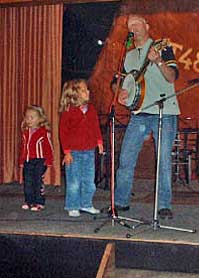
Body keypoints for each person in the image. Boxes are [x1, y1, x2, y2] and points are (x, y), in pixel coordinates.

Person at [113, 14, 180, 219]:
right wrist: (121, 92)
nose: (133, 27)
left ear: (147, 26)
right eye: (130, 25)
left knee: (163, 161)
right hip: (139, 113)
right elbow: (118, 82)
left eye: (137, 23)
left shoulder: (162, 47)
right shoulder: (129, 55)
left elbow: (172, 77)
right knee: (125, 158)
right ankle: (121, 203)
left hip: (164, 111)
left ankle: (164, 205)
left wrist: (158, 60)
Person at [59, 79, 104, 217]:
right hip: (74, 152)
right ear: (74, 94)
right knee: (74, 181)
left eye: (87, 90)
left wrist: (99, 142)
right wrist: (66, 152)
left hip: (89, 151)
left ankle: (86, 204)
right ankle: (72, 205)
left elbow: (95, 126)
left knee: (89, 181)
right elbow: (63, 133)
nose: (88, 92)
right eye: (84, 90)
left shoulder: (91, 109)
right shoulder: (69, 111)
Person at [18, 105, 54, 211]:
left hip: (39, 161)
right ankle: (29, 201)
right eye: (27, 117)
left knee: (37, 181)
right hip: (28, 161)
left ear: (40, 119)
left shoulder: (43, 133)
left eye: (32, 117)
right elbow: (23, 148)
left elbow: (48, 148)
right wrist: (22, 160)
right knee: (28, 181)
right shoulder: (25, 133)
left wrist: (49, 161)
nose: (29, 120)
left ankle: (39, 202)